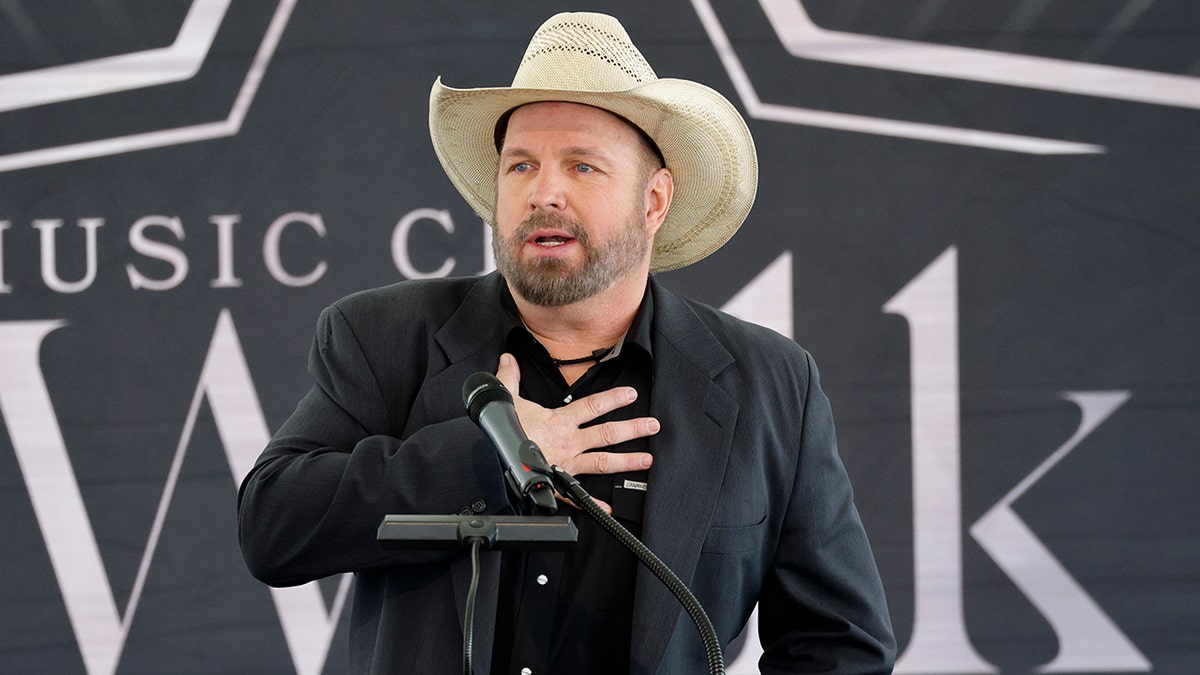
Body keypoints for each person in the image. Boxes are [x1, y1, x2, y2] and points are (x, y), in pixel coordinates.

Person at [238, 11, 896, 674]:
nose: (543, 191)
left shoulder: (769, 386)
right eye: (521, 165)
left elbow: (842, 644)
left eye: (583, 166)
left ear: (655, 200)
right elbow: (272, 527)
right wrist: (488, 457)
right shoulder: (384, 338)